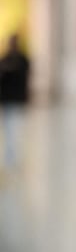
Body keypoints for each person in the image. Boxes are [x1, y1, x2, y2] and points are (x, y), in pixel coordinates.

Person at [0, 33, 30, 169]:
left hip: (17, 100)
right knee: (9, 129)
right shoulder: (5, 59)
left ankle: (15, 157)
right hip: (7, 100)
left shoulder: (23, 60)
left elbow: (25, 77)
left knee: (16, 128)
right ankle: (10, 157)